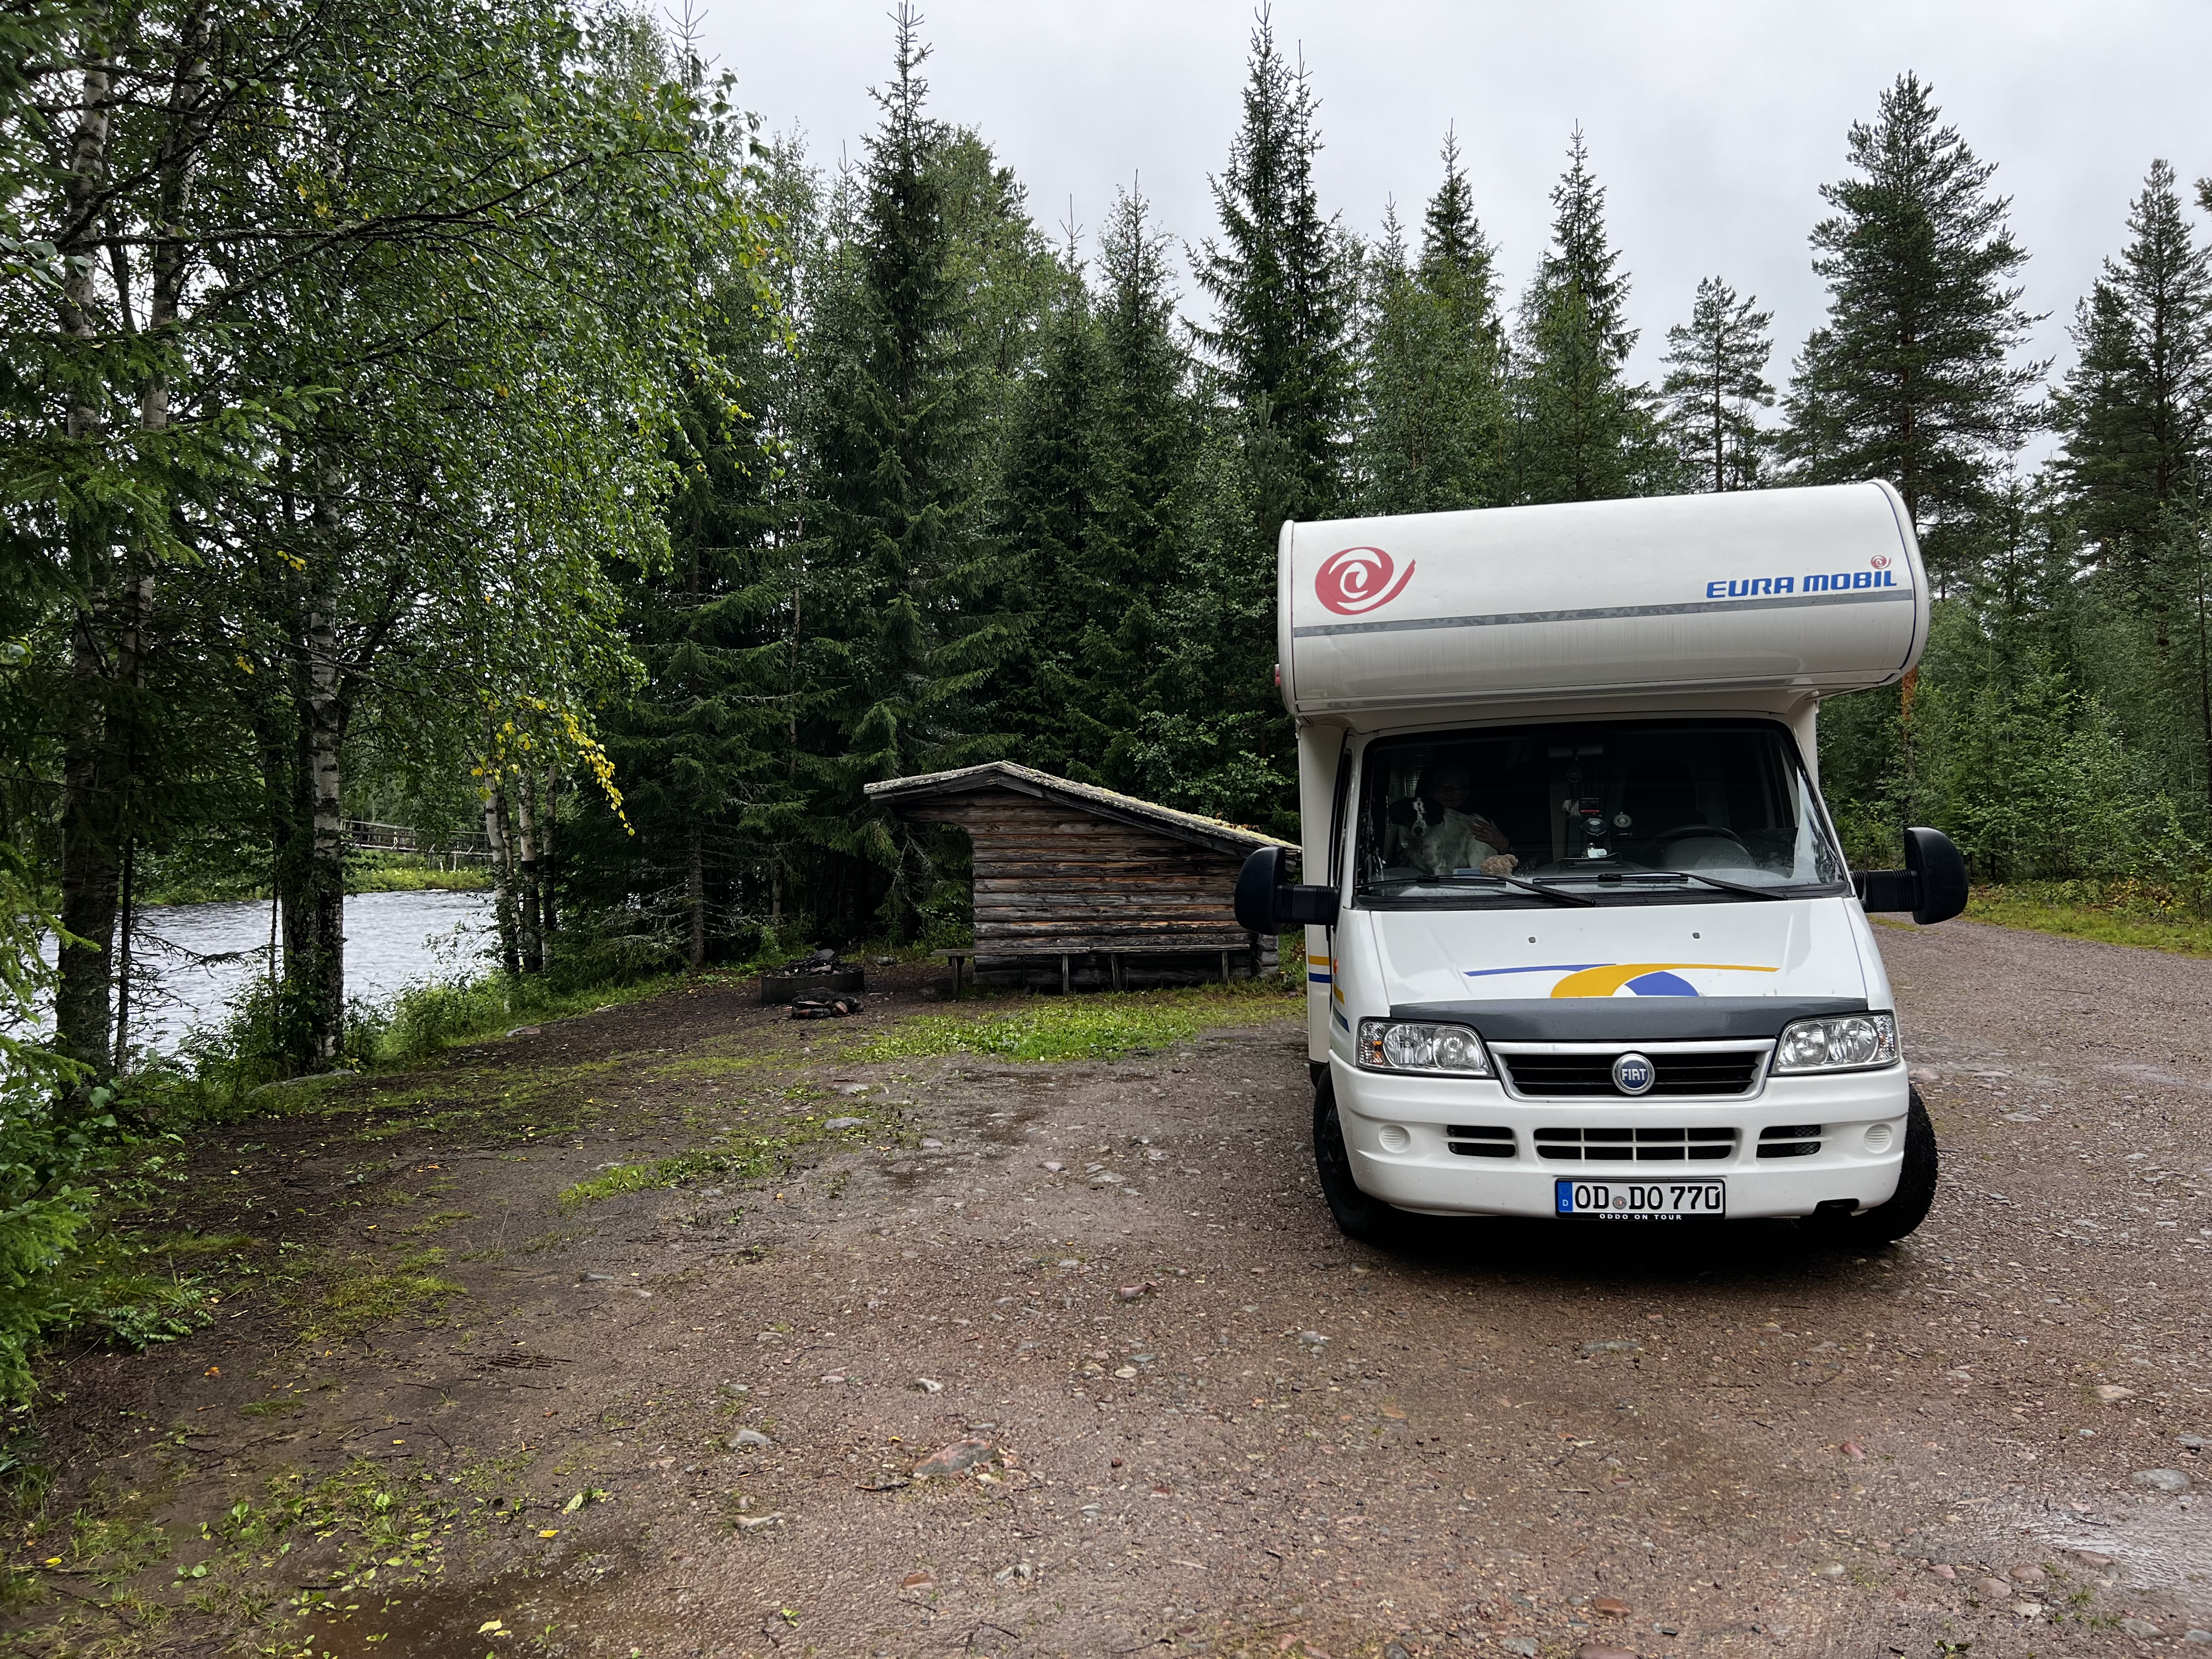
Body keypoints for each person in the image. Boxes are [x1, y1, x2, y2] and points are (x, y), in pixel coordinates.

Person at [1410, 759, 1517, 877]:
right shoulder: (1412, 821)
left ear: (1466, 794)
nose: (1450, 793)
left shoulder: (1480, 821)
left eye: (1458, 788)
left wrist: (1504, 846)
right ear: (1431, 790)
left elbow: (1512, 870)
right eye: (1443, 787)